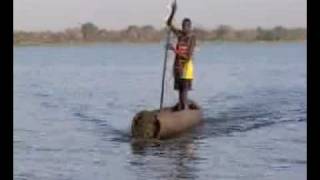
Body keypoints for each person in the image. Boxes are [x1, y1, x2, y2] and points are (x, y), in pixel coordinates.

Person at [166, 2, 196, 110]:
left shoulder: (192, 38)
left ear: (190, 27)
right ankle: (181, 110)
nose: (184, 28)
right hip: (177, 67)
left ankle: (185, 111)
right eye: (183, 26)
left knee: (184, 94)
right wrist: (173, 12)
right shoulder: (179, 34)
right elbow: (168, 23)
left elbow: (187, 56)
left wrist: (174, 49)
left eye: (186, 26)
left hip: (186, 67)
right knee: (179, 94)